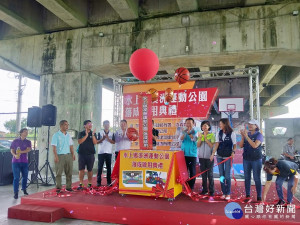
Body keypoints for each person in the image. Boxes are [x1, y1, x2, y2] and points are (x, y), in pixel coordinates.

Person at [211, 118, 236, 200]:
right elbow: (217, 144)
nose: (219, 125)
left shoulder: (232, 133)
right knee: (221, 175)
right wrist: (213, 154)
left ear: (225, 124)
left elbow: (235, 145)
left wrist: (233, 152)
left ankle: (228, 193)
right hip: (219, 156)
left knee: (227, 175)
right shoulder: (219, 132)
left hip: (228, 156)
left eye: (221, 124)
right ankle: (223, 192)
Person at [239, 119, 264, 202]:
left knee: (256, 178)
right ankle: (248, 195)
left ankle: (259, 196)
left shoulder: (259, 135)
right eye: (249, 124)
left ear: (256, 126)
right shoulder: (247, 134)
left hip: (256, 159)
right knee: (247, 178)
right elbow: (241, 145)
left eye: (252, 124)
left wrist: (246, 137)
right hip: (246, 159)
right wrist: (243, 137)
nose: (250, 125)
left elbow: (255, 145)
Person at [51, 120, 75, 193]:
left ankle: (68, 187)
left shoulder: (68, 135)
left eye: (68, 125)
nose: (67, 126)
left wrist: (73, 154)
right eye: (65, 125)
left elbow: (71, 146)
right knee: (59, 173)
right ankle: (58, 187)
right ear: (61, 125)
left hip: (68, 156)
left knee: (69, 172)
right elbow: (54, 147)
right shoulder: (56, 135)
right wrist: (56, 156)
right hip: (60, 156)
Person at [10, 128, 31, 199]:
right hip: (15, 162)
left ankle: (24, 189)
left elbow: (28, 149)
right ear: (21, 133)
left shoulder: (28, 141)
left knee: (25, 176)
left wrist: (20, 152)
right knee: (16, 177)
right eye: (25, 132)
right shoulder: (15, 141)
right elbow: (12, 150)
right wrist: (15, 155)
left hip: (24, 162)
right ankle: (16, 192)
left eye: (27, 132)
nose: (26, 133)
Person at [77, 120, 97, 189]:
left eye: (91, 124)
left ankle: (89, 183)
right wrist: (86, 135)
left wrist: (93, 135)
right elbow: (79, 142)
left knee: (90, 170)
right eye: (89, 124)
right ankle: (81, 183)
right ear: (84, 125)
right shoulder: (81, 133)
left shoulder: (93, 133)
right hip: (81, 154)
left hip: (90, 154)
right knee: (81, 169)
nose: (90, 125)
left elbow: (95, 143)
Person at [197, 120, 215, 196]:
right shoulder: (200, 135)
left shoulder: (212, 135)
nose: (204, 127)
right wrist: (201, 138)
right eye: (203, 125)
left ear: (209, 127)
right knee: (203, 175)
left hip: (209, 158)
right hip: (201, 157)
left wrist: (206, 138)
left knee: (210, 175)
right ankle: (204, 190)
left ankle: (212, 191)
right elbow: (198, 145)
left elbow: (212, 146)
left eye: (206, 125)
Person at [180, 117, 198, 190]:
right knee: (184, 171)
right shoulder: (183, 131)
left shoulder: (196, 131)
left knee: (192, 171)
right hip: (183, 154)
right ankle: (185, 185)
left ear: (193, 124)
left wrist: (189, 133)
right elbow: (180, 139)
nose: (188, 125)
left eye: (190, 123)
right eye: (187, 123)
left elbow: (194, 139)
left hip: (192, 154)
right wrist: (184, 133)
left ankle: (191, 186)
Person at [97, 120, 115, 186]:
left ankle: (109, 182)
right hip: (101, 152)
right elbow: (97, 141)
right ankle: (98, 182)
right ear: (103, 125)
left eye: (108, 125)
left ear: (109, 125)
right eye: (105, 125)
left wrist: (108, 138)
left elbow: (113, 142)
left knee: (109, 168)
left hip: (108, 152)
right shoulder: (100, 132)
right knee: (100, 167)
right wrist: (103, 138)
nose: (107, 126)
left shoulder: (112, 133)